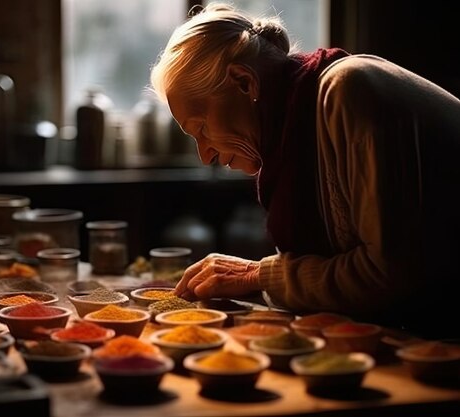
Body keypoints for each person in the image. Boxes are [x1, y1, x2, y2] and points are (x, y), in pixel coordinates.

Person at [149, 3, 460, 339]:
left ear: (243, 82)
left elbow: (388, 275)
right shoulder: (291, 135)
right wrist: (259, 275)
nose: (205, 154)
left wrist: (258, 275)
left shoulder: (348, 90)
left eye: (202, 128)